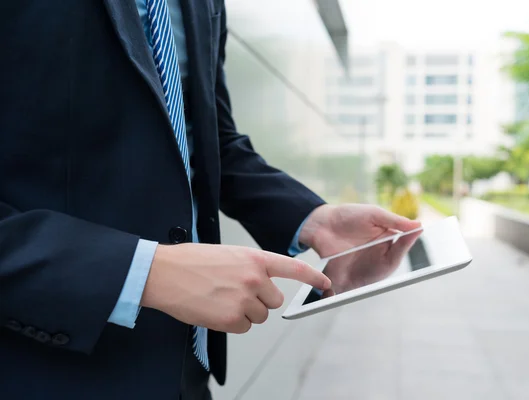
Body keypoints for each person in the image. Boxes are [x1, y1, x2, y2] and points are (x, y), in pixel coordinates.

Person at [0, 1, 420, 399]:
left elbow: (211, 140)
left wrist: (314, 218)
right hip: (42, 367)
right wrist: (142, 273)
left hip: (185, 365)